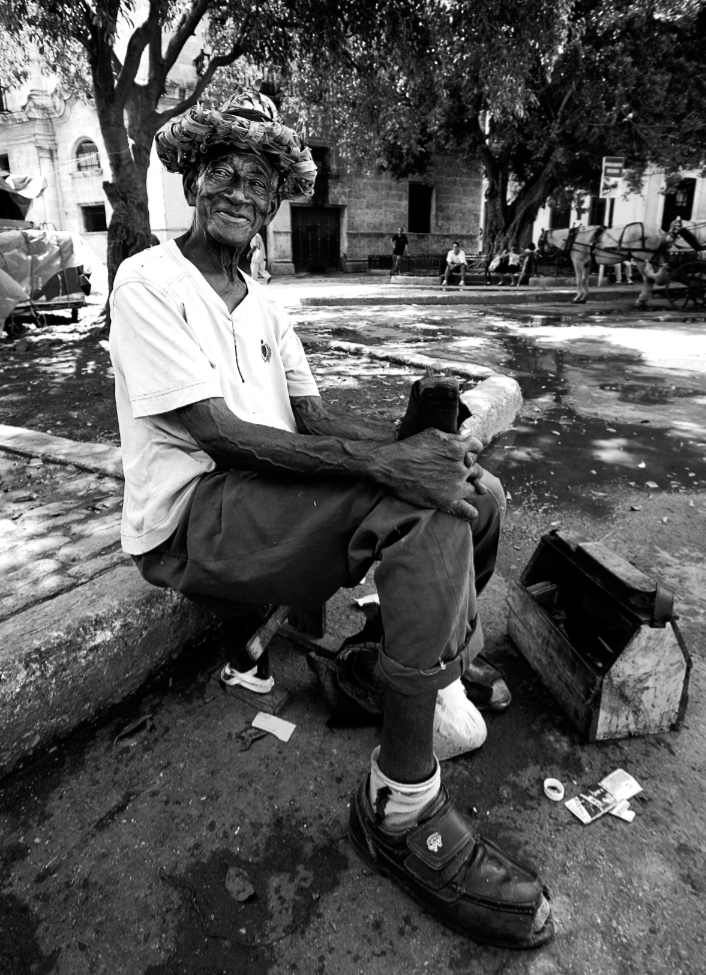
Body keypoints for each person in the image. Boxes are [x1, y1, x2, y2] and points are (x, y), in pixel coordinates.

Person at [109, 86, 553, 950]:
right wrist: (389, 467)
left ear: (276, 202)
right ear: (193, 181)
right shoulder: (148, 280)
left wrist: (418, 441)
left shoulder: (266, 303)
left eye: (261, 181)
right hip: (194, 516)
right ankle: (400, 804)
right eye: (225, 171)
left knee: (475, 493)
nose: (242, 191)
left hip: (265, 499)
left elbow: (313, 421)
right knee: (424, 513)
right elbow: (219, 434)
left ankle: (419, 668)